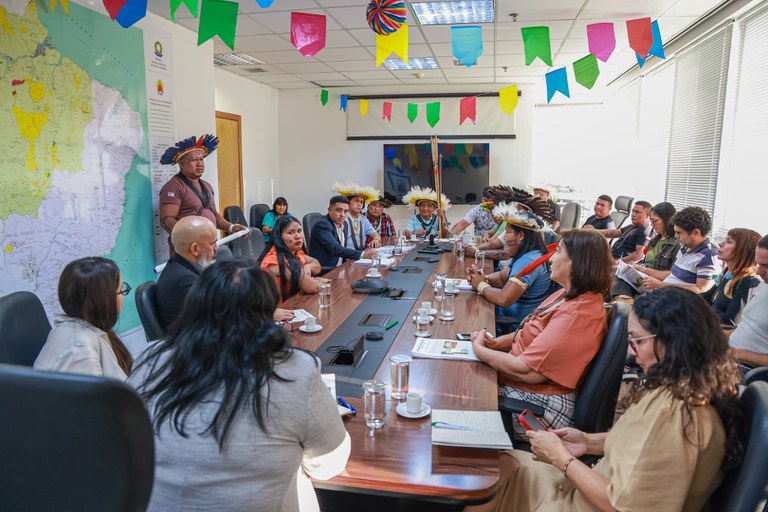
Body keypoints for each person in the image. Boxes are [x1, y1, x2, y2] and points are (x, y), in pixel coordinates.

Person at [470, 287, 743, 512]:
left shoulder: (674, 412)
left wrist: (560, 458)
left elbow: (621, 505)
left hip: (583, 503)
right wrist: (589, 441)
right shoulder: (690, 390)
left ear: (673, 342)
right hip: (587, 489)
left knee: (483, 480)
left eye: (637, 340)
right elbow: (642, 448)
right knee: (494, 465)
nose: (632, 353)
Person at [129, 261, 350, 512]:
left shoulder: (150, 358)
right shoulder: (297, 369)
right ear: (267, 313)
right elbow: (328, 465)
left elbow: (127, 444)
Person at [470, 230, 613, 440]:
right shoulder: (566, 294)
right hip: (525, 389)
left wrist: (479, 350)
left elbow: (528, 372)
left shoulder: (578, 314)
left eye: (559, 252)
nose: (551, 259)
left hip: (542, 408)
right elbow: (531, 330)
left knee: (462, 400)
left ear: (577, 262)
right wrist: (497, 343)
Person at [156, 216, 293, 329]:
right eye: (212, 243)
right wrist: (264, 314)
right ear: (195, 249)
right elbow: (221, 319)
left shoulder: (180, 266)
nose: (217, 248)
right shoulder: (184, 281)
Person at [34, 257, 133, 380]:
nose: (123, 294)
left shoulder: (91, 327)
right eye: (120, 290)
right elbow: (96, 398)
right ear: (104, 302)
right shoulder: (79, 349)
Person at [466, 200, 556, 332]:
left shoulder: (529, 260)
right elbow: (503, 278)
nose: (504, 238)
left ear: (520, 236)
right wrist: (483, 277)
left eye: (507, 232)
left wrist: (480, 285)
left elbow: (504, 298)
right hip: (505, 317)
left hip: (514, 327)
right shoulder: (529, 255)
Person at [158, 135, 247, 241]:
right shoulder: (173, 186)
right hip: (187, 250)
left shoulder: (207, 186)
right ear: (181, 163)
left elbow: (214, 215)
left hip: (209, 247)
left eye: (201, 159)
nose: (199, 163)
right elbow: (167, 220)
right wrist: (189, 240)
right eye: (194, 160)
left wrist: (232, 227)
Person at [639, 206, 719, 294]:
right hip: (664, 293)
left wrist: (661, 285)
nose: (676, 236)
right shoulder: (685, 246)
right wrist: (642, 270)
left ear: (696, 233)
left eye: (679, 233)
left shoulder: (709, 256)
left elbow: (700, 290)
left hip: (677, 302)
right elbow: (673, 274)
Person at [612, 202, 680, 298]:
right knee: (620, 276)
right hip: (644, 278)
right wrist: (635, 267)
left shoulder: (677, 244)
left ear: (667, 220)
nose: (652, 225)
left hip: (657, 284)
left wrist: (644, 270)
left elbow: (674, 275)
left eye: (654, 221)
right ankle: (623, 299)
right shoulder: (654, 241)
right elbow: (646, 262)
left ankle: (623, 301)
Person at [703, 228, 761, 327]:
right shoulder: (728, 273)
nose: (721, 244)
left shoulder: (747, 281)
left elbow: (731, 322)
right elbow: (707, 296)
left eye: (729, 242)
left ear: (743, 250)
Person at [260, 215, 324, 301]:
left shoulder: (295, 252)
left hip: (292, 304)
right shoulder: (273, 260)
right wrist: (313, 280)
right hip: (275, 311)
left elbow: (316, 265)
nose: (298, 236)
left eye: (299, 231)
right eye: (290, 232)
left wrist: (307, 267)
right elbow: (313, 287)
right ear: (279, 237)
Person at [729, 234, 768, 369]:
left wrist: (739, 354)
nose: (759, 272)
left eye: (767, 266)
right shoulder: (764, 285)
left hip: (750, 371)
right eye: (758, 264)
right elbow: (746, 327)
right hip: (730, 356)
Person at [309, 195, 377, 268]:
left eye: (345, 211)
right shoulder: (322, 225)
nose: (342, 215)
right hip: (327, 270)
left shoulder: (344, 224)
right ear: (329, 210)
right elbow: (336, 248)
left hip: (342, 266)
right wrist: (363, 254)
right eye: (338, 210)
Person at [333, 181, 382, 250]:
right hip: (346, 257)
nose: (359, 204)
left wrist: (375, 240)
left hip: (362, 255)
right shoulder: (341, 217)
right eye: (356, 201)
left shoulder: (363, 219)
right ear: (348, 202)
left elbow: (375, 235)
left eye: (361, 202)